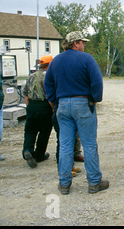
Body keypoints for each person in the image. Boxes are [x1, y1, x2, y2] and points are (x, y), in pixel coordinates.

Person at [45, 31, 108, 195]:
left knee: (65, 146)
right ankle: (94, 182)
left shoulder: (56, 60)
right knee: (89, 144)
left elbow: (48, 84)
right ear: (75, 43)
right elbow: (96, 81)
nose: (84, 45)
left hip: (63, 105)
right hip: (83, 103)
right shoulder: (86, 58)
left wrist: (55, 100)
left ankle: (64, 183)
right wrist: (95, 98)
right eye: (82, 42)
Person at [22, 55, 53, 168]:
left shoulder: (30, 76)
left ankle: (27, 151)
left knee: (30, 131)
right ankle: (39, 155)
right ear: (49, 64)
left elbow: (25, 92)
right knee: (44, 132)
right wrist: (52, 108)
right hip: (44, 106)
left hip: (32, 106)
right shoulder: (48, 76)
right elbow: (49, 95)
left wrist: (29, 106)